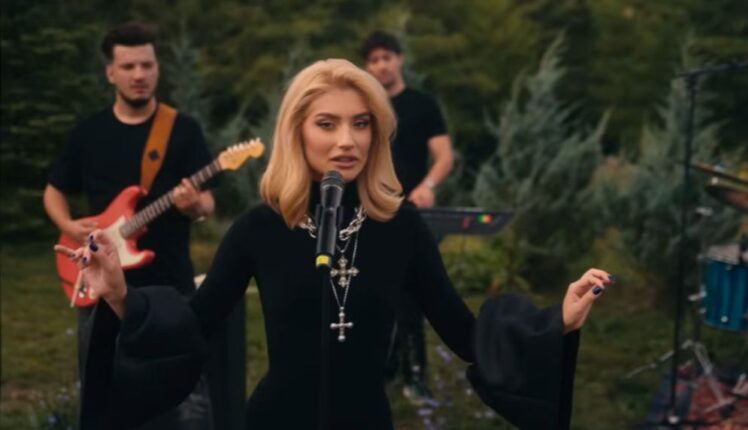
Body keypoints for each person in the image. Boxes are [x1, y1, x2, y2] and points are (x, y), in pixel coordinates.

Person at [56, 58, 614, 430]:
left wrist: (554, 324)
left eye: (361, 123)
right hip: (276, 420)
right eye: (327, 123)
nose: (347, 140)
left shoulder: (401, 228)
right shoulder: (259, 228)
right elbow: (195, 324)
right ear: (297, 131)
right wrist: (122, 295)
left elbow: (467, 337)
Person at [43, 21, 215, 430]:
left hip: (170, 284)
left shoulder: (183, 130)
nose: (139, 74)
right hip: (100, 286)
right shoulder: (88, 133)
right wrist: (69, 224)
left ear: (158, 68)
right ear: (111, 72)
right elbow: (53, 191)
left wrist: (195, 206)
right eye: (128, 66)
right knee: (102, 397)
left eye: (147, 65)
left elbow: (208, 203)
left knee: (188, 403)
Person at [361, 30, 453, 402]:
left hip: (410, 213)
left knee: (412, 295)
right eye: (373, 60)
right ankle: (380, 369)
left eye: (386, 57)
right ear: (367, 67)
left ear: (398, 59)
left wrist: (428, 185)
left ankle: (415, 376)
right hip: (369, 210)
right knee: (372, 292)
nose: (381, 65)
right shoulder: (364, 108)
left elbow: (444, 156)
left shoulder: (422, 104)